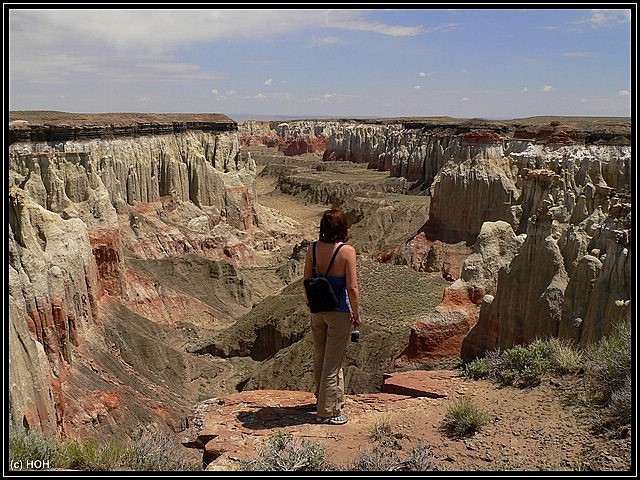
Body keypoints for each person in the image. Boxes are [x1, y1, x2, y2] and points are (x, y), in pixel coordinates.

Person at [303, 208, 361, 425]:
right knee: (333, 362)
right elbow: (352, 288)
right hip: (339, 313)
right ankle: (328, 412)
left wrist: (310, 303)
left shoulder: (313, 249)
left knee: (320, 355)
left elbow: (306, 280)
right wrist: (356, 314)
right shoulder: (347, 252)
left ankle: (325, 397)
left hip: (317, 310)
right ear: (343, 227)